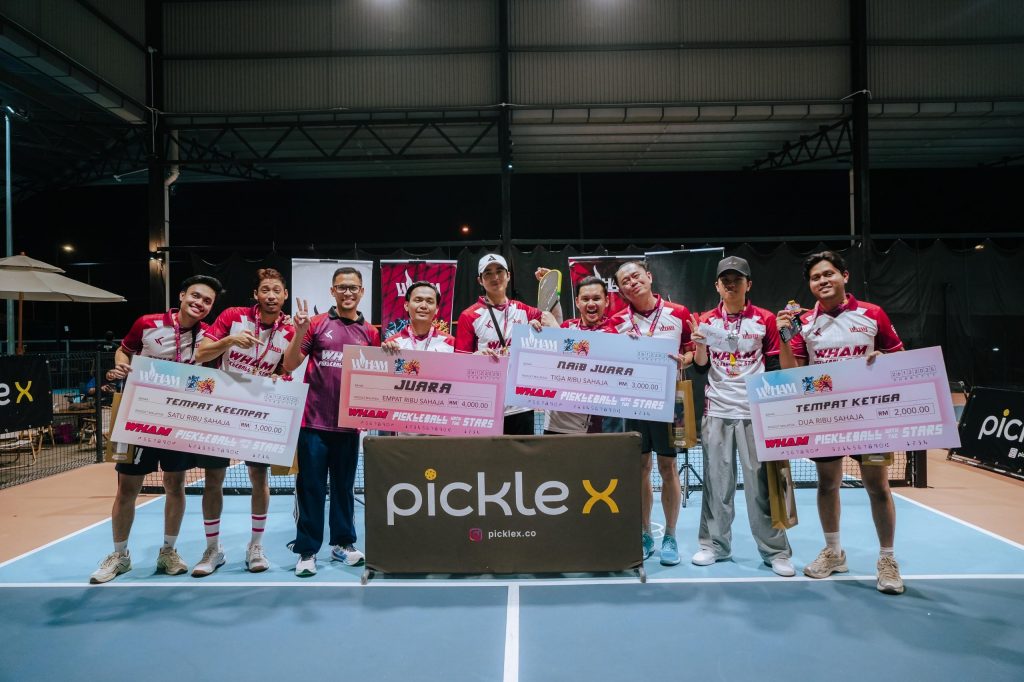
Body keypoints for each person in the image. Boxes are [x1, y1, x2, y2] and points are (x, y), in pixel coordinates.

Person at [777, 250, 906, 595]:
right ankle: (834, 552)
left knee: (878, 486)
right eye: (815, 277)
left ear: (844, 276)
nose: (822, 281)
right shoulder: (804, 323)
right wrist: (786, 337)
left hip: (870, 416)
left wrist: (881, 358)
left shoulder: (872, 314)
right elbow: (792, 373)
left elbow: (900, 359)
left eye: (828, 274)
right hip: (826, 416)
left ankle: (887, 559)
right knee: (827, 484)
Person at [89, 275, 223, 584]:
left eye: (207, 301)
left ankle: (168, 551)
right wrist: (120, 365)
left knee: (175, 485)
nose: (200, 303)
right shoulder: (147, 323)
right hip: (140, 414)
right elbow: (124, 350)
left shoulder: (207, 336)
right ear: (182, 295)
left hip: (180, 419)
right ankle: (119, 556)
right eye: (196, 296)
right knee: (127, 488)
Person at [688, 256, 794, 577]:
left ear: (749, 284)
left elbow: (775, 367)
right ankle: (714, 545)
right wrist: (700, 345)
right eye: (725, 280)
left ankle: (775, 551)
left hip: (754, 412)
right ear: (717, 285)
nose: (731, 284)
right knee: (716, 484)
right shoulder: (706, 320)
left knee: (761, 486)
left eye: (737, 279)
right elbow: (701, 367)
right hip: (717, 410)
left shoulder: (765, 319)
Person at [191, 268, 296, 576]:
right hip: (221, 408)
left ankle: (256, 546)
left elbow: (287, 368)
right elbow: (201, 353)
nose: (271, 296)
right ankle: (213, 549)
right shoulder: (233, 316)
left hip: (257, 409)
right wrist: (230, 340)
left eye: (276, 290)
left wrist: (279, 376)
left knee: (259, 478)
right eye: (265, 290)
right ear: (256, 294)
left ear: (285, 295)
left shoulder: (289, 330)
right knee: (213, 479)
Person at [282, 267, 380, 577]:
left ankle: (343, 544)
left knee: (343, 488)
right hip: (313, 423)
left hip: (348, 426)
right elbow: (289, 364)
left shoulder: (371, 332)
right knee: (310, 488)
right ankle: (307, 550)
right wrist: (299, 332)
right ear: (332, 291)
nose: (347, 292)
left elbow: (375, 378)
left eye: (353, 287)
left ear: (361, 291)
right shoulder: (315, 324)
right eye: (342, 287)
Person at [608, 261, 694, 566]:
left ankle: (670, 535)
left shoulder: (678, 313)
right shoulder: (616, 321)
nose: (632, 282)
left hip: (671, 402)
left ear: (649, 277)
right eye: (625, 281)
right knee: (641, 467)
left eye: (636, 276)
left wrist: (685, 358)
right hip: (633, 402)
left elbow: (692, 350)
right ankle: (645, 533)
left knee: (668, 467)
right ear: (620, 291)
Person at [454, 253, 554, 434]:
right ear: (480, 280)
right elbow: (459, 364)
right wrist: (475, 357)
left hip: (522, 405)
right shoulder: (469, 316)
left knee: (523, 452)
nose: (495, 277)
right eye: (488, 273)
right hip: (486, 405)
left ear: (508, 276)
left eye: (500, 271)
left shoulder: (524, 311)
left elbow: (555, 328)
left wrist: (550, 286)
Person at [540, 274, 612, 435]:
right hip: (554, 421)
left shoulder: (611, 332)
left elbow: (586, 360)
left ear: (606, 301)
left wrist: (556, 331)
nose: (591, 303)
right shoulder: (568, 326)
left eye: (596, 298)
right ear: (577, 302)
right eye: (585, 299)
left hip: (586, 427)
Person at [382, 281, 456, 353]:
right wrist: (387, 355)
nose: (423, 306)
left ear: (436, 309)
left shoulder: (450, 343)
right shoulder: (391, 344)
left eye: (429, 302)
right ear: (406, 306)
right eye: (418, 300)